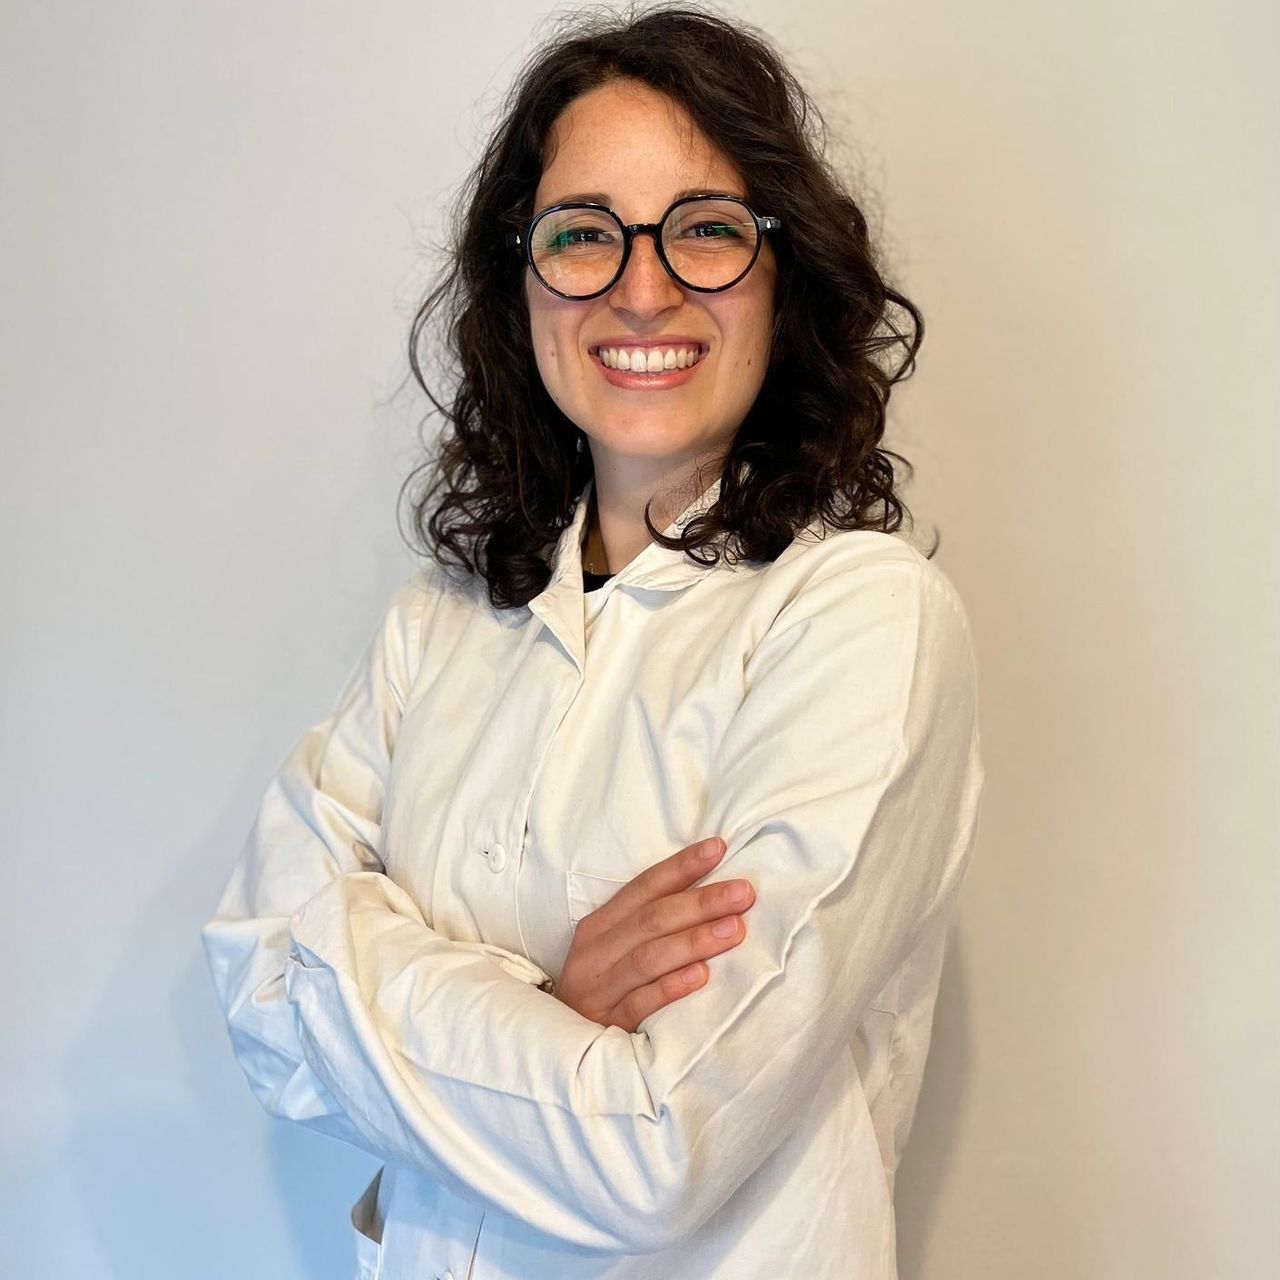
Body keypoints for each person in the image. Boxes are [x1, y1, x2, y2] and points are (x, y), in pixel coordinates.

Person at [200, 4, 985, 1278]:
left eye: (704, 227)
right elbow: (249, 974)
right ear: (521, 281)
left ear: (783, 273)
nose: (642, 286)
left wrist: (359, 960)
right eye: (582, 233)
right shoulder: (441, 619)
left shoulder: (858, 619)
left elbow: (660, 1145)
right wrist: (551, 1002)